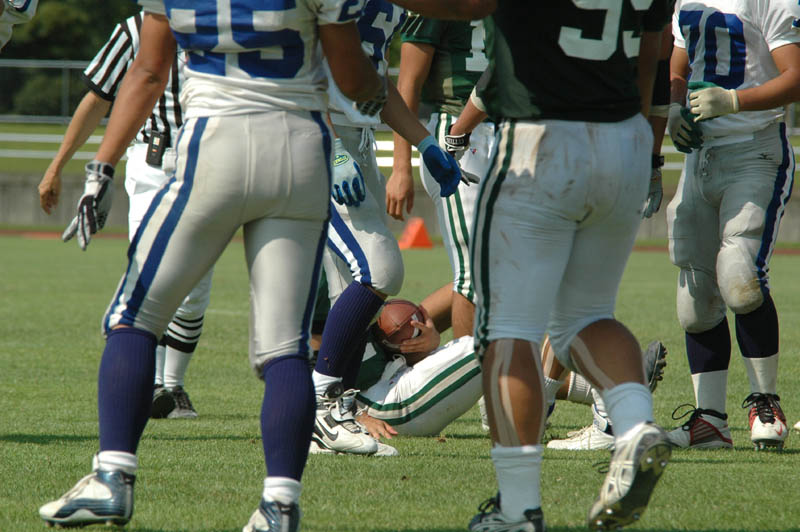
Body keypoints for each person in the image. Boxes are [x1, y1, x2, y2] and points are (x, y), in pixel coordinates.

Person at [38, 0, 385, 529]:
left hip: (215, 144)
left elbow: (148, 73)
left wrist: (101, 168)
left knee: (133, 317)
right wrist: (375, 87)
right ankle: (280, 505)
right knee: (284, 347)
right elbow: (354, 78)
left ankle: (113, 475)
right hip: (299, 151)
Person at [462, 2, 673, 531]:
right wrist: (637, 140)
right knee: (587, 316)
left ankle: (518, 510)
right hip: (625, 137)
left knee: (509, 329)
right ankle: (633, 426)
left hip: (540, 137)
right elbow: (654, 51)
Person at [309, 0, 466, 457]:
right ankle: (320, 406)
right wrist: (332, 146)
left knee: (349, 289)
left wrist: (425, 142)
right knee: (380, 269)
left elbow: (374, 80)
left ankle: (338, 412)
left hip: (357, 137)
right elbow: (301, 68)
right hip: (312, 135)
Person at [37, 11, 206, 420]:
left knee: (195, 291)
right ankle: (152, 383)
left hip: (207, 162)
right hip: (153, 162)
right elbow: (97, 98)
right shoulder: (134, 30)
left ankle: (172, 384)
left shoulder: (221, 23)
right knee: (150, 273)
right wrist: (57, 166)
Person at [665, 0, 800, 451]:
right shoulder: (686, 0)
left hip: (754, 148)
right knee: (694, 295)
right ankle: (709, 420)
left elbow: (796, 77)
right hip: (701, 154)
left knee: (740, 276)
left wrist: (735, 100)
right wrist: (674, 106)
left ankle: (766, 402)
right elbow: (678, 64)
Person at [388, 14, 495, 338]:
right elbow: (408, 82)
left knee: (512, 270)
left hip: (512, 128)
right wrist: (401, 167)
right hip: (456, 128)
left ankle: (396, 341)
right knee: (473, 274)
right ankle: (466, 367)